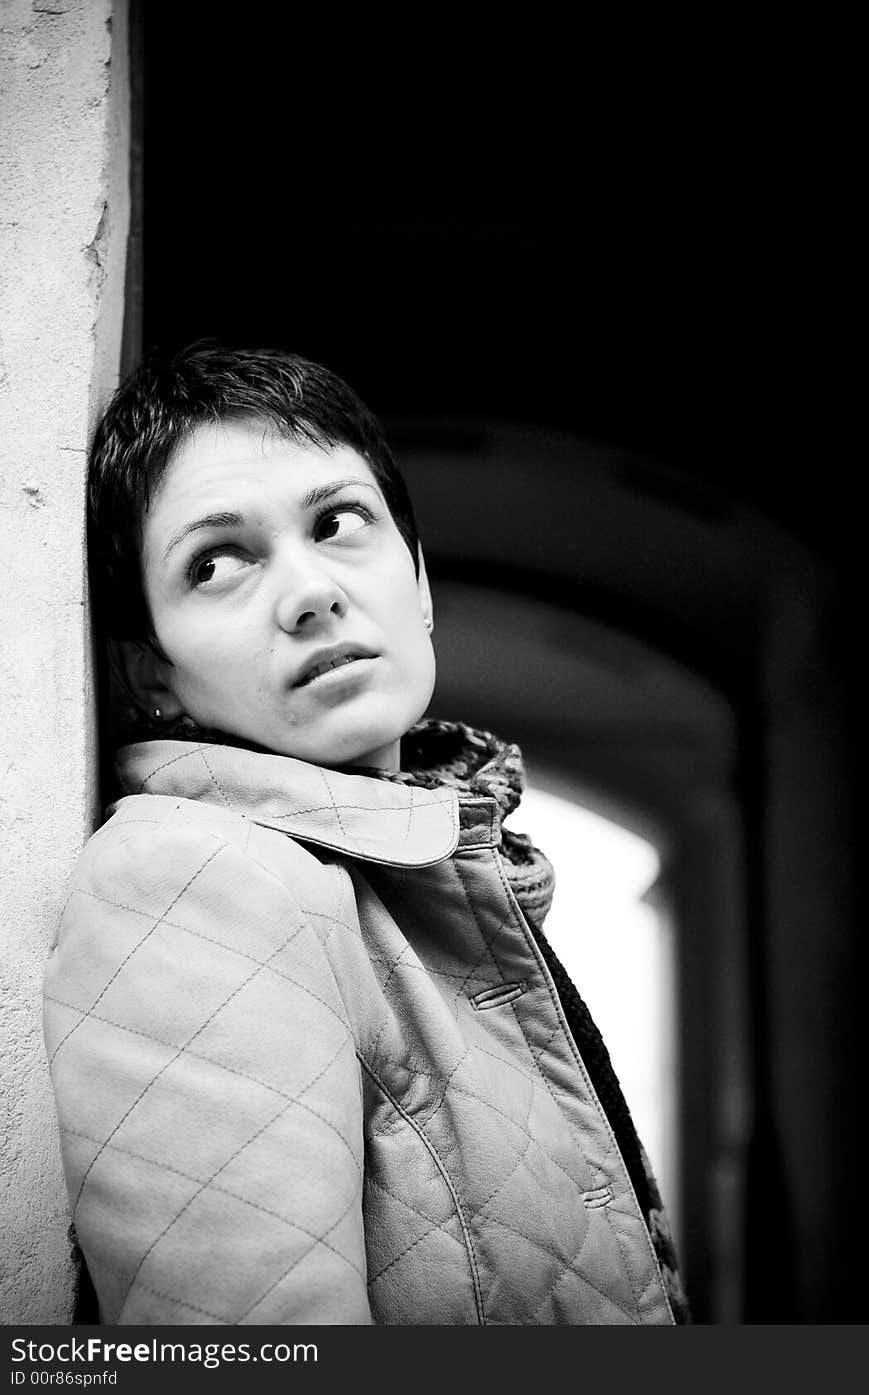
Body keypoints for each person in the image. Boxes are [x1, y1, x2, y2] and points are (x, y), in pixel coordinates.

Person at [43, 342, 689, 1326]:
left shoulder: (419, 862)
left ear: (419, 581)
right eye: (216, 563)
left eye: (338, 522)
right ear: (151, 673)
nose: (308, 592)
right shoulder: (189, 881)